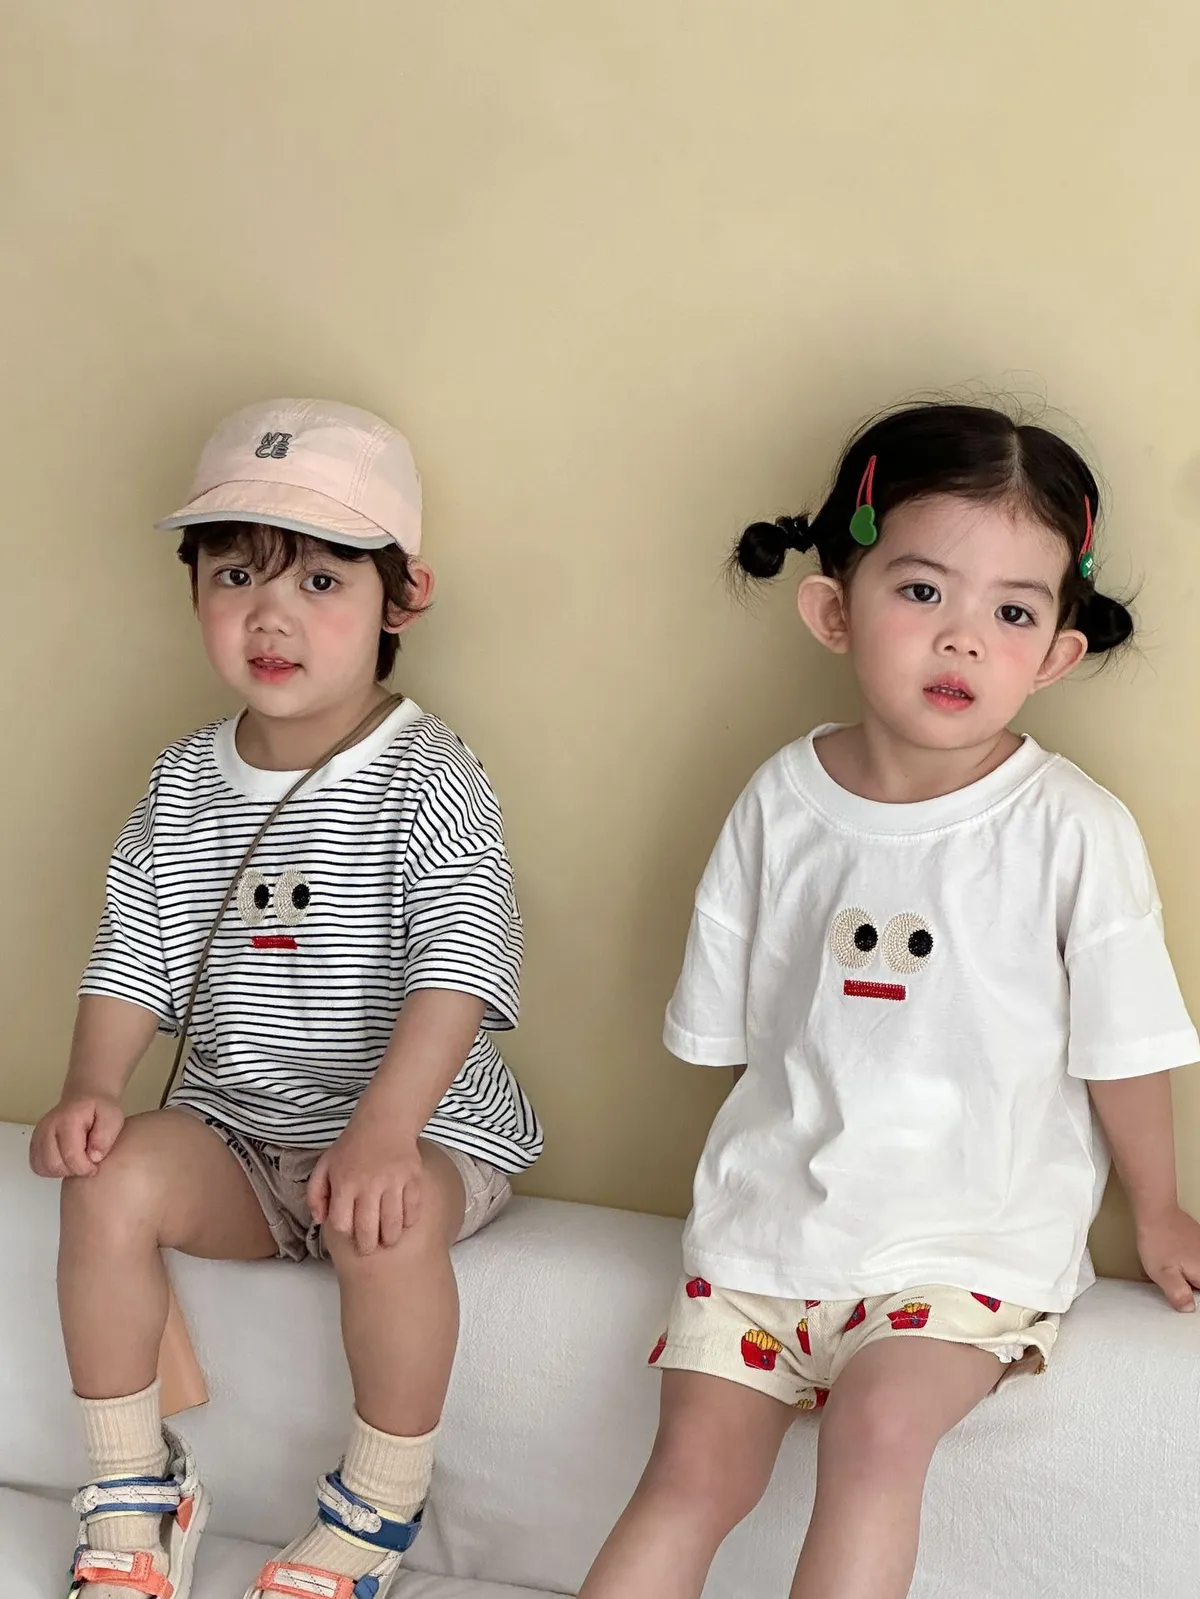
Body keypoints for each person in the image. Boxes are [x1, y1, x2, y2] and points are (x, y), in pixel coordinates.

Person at [579, 402, 1200, 1599]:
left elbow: (1123, 1041)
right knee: (689, 1474)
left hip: (966, 1253)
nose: (963, 639)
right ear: (834, 609)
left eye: (1012, 612)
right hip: (762, 1242)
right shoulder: (779, 802)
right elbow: (744, 1036)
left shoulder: (1072, 829)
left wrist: (1161, 1208)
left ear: (1055, 653)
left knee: (875, 1437)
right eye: (922, 592)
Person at [29, 399, 541, 1599]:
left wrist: (385, 1131)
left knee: (386, 1219)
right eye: (236, 575)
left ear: (402, 598)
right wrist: (93, 1084)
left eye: (320, 580)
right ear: (195, 594)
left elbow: (459, 965)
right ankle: (134, 1490)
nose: (272, 615)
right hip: (242, 1136)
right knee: (106, 1181)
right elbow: (134, 951)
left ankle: (379, 1505)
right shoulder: (181, 781)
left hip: (420, 1130)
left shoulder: (428, 773)